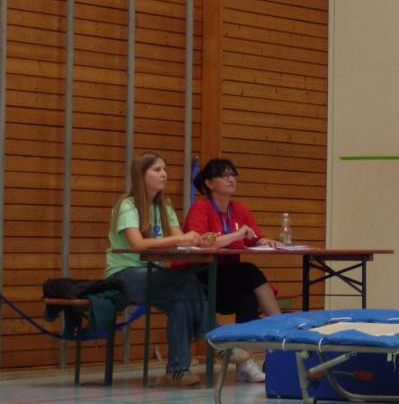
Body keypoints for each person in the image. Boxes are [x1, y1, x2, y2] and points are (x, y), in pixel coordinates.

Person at [104, 152, 210, 387]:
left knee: (182, 297)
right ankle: (211, 335)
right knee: (186, 283)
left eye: (165, 169)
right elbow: (138, 244)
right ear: (141, 175)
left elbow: (180, 239)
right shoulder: (127, 206)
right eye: (157, 170)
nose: (164, 174)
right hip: (125, 274)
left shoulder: (165, 206)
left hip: (154, 275)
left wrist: (198, 241)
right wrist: (179, 240)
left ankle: (177, 371)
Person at [182, 158, 280, 383]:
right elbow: (202, 243)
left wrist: (264, 240)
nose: (231, 179)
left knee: (247, 296)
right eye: (224, 175)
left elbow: (254, 237)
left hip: (228, 280)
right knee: (249, 272)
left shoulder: (239, 209)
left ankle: (245, 363)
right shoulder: (200, 208)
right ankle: (280, 330)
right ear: (209, 183)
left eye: (233, 174)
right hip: (201, 277)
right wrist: (236, 235)